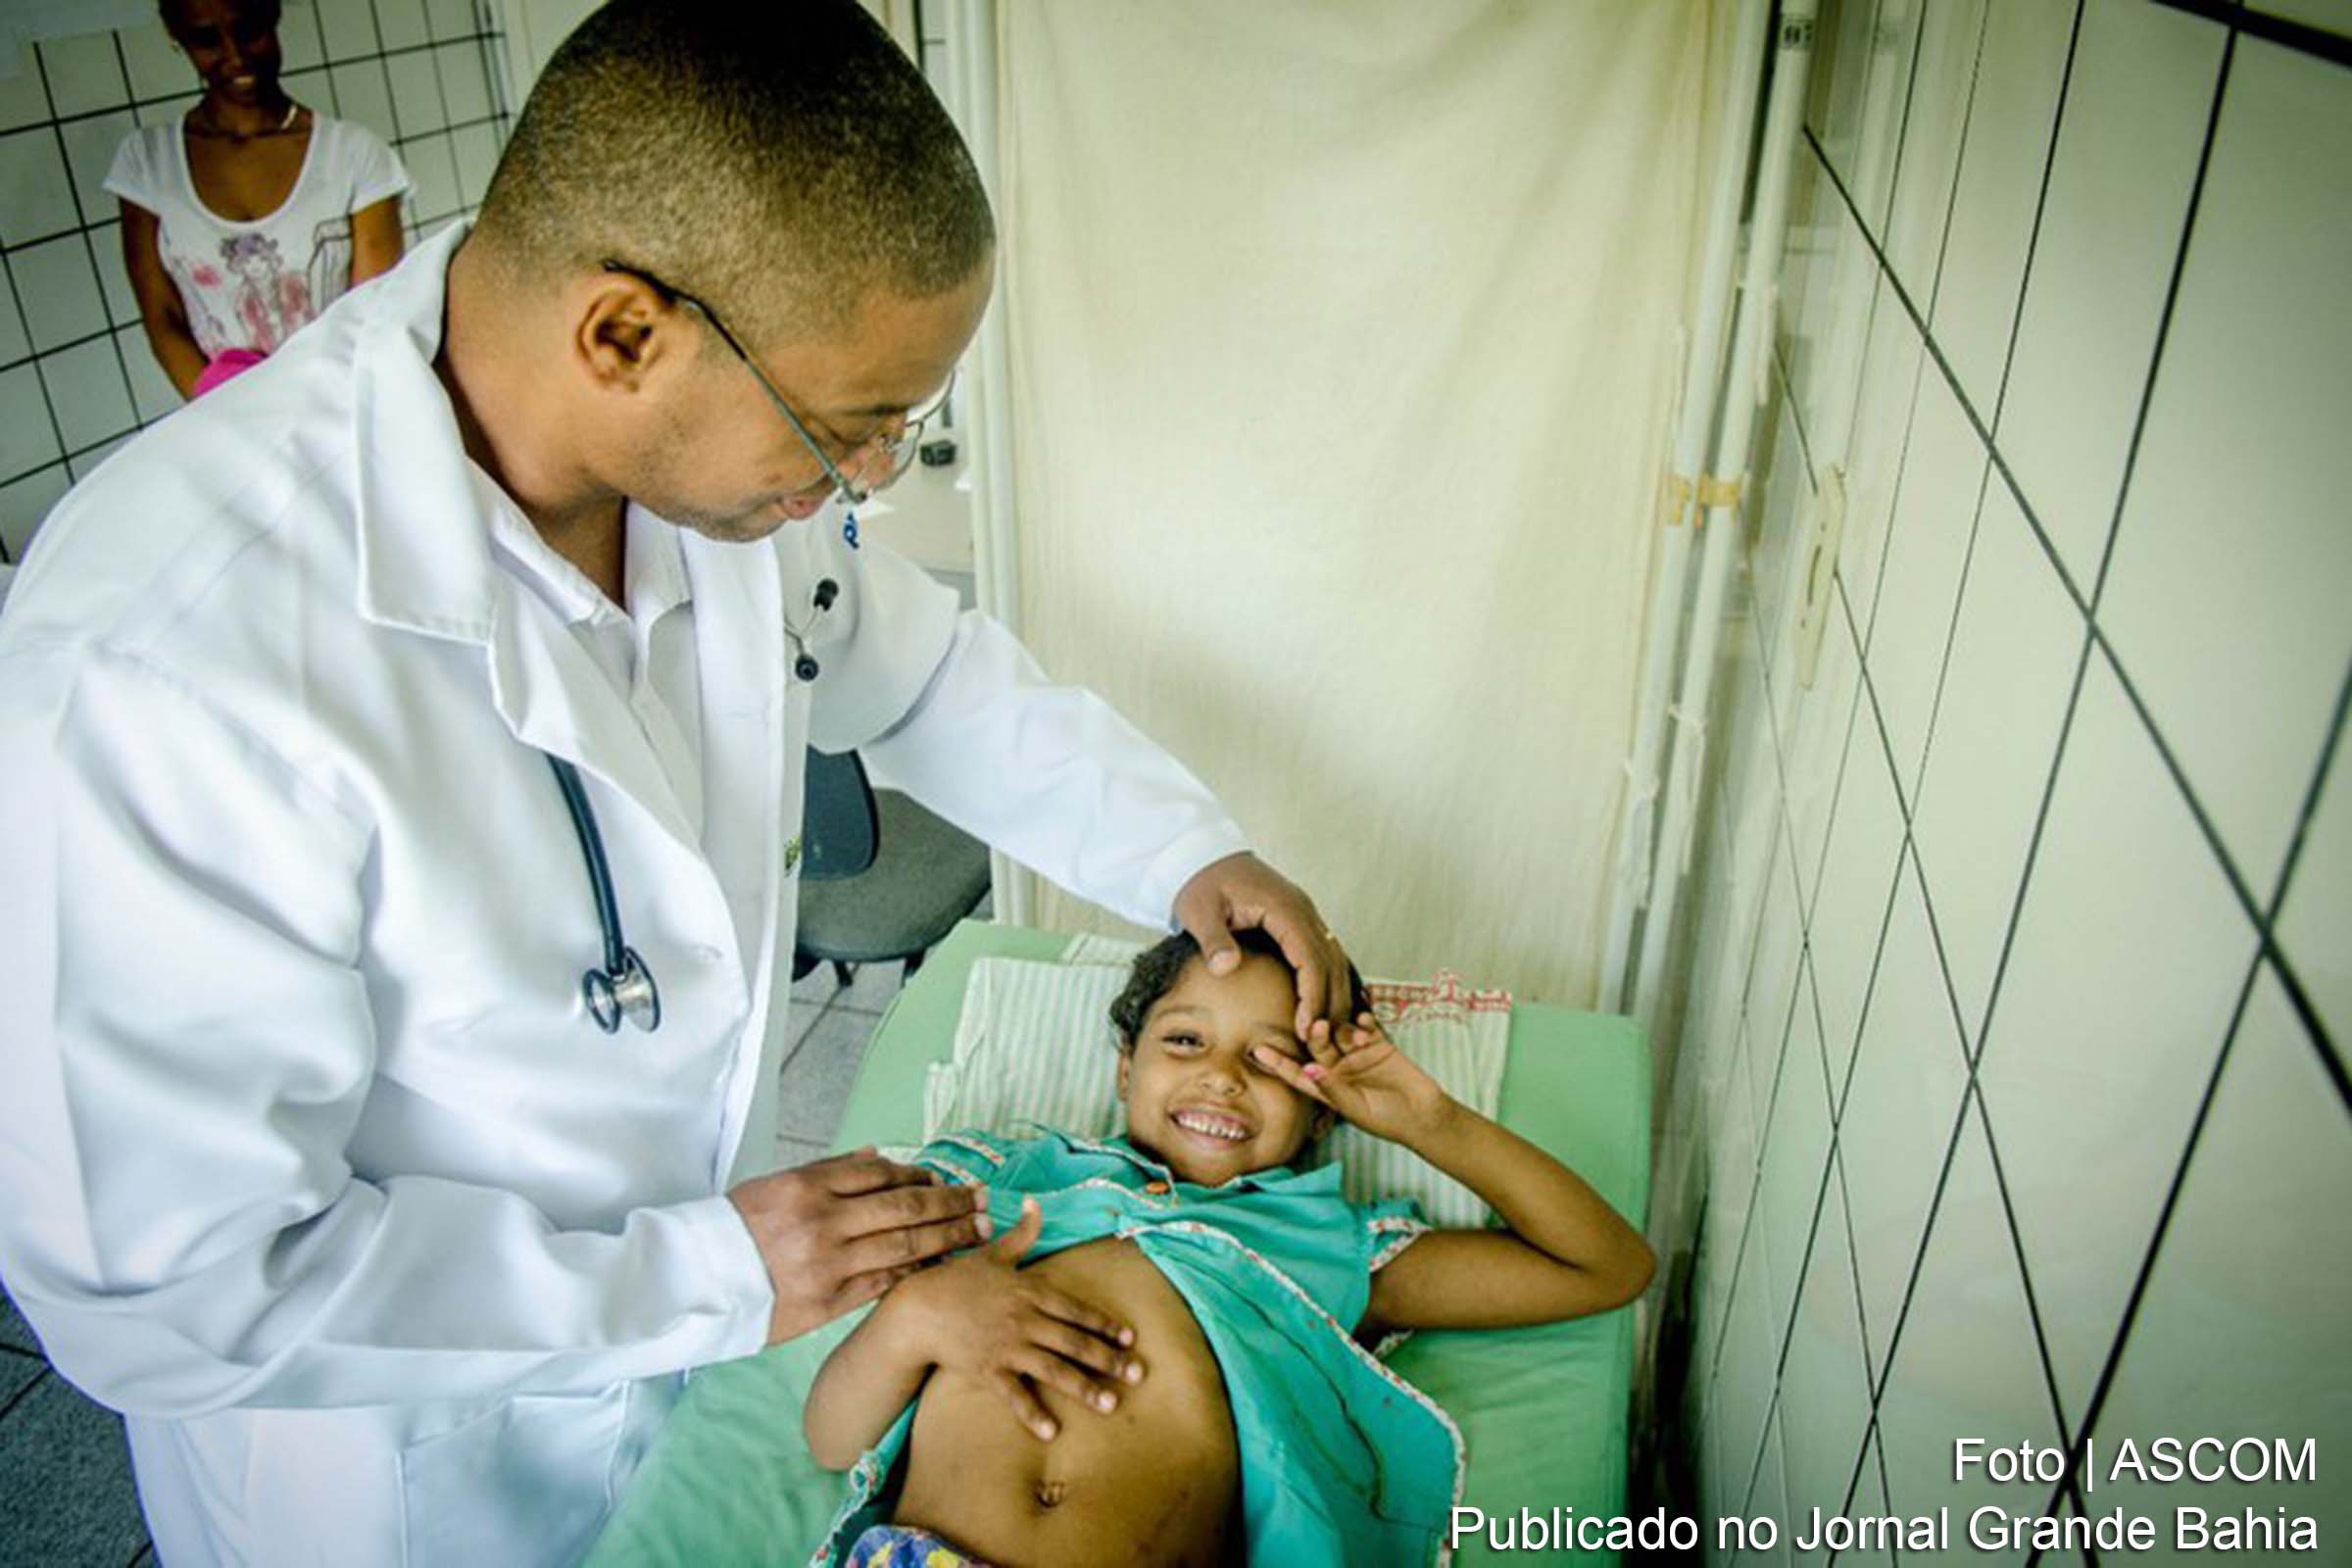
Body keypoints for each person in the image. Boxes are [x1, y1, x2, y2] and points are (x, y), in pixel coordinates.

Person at [0, 5, 1357, 1565]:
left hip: (678, 1384)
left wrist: (1190, 856)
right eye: (850, 428)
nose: (864, 483)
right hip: (393, 1475)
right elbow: (169, 1296)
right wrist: (706, 1276)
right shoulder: (162, 664)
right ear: (624, 335)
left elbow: (921, 675)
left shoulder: (707, 486)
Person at [803, 931, 1655, 1566]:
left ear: (1325, 1110)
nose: (1223, 1076)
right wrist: (915, 1320)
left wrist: (1432, 1125)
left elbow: (1607, 1267)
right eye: (1184, 1040)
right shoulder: (1003, 1185)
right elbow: (832, 1439)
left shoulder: (1323, 1249)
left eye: (1272, 1059)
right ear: (1124, 1069)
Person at [109, 0, 409, 399]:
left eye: (249, 30)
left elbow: (373, 313)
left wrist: (324, 411)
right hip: (226, 417)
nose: (235, 56)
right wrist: (239, 419)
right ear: (175, 36)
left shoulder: (355, 155)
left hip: (343, 400)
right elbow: (162, 318)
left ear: (273, 15)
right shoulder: (146, 163)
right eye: (206, 39)